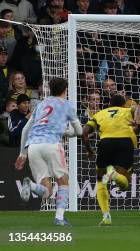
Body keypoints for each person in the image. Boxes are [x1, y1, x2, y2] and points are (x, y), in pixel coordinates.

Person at [14, 78, 82, 226]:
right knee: (63, 181)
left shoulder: (41, 104)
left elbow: (26, 129)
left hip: (33, 147)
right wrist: (65, 131)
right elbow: (79, 131)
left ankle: (30, 186)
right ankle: (59, 218)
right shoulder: (67, 105)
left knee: (47, 191)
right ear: (65, 90)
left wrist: (22, 153)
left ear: (50, 89)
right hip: (51, 145)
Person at [82, 94, 140, 226]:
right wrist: (137, 120)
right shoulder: (127, 110)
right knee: (124, 183)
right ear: (123, 105)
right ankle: (114, 174)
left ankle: (106, 216)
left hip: (105, 143)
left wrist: (89, 150)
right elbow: (138, 106)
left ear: (109, 105)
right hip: (125, 142)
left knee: (100, 181)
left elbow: (84, 132)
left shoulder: (100, 114)